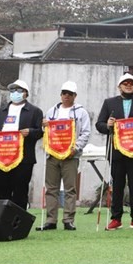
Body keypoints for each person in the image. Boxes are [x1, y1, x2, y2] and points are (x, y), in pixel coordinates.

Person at [95, 73, 133, 230]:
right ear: (119, 86)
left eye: (131, 83)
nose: (128, 85)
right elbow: (99, 124)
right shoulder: (109, 103)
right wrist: (108, 125)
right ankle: (116, 218)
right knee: (117, 185)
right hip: (116, 152)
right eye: (125, 83)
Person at [38, 81, 91, 231]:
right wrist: (44, 127)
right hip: (53, 155)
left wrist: (76, 148)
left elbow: (86, 133)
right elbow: (46, 133)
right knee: (51, 188)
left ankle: (68, 220)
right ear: (61, 94)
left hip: (70, 156)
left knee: (70, 189)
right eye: (64, 93)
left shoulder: (81, 112)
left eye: (70, 94)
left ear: (75, 96)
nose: (66, 96)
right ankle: (51, 220)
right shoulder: (51, 112)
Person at [0, 79, 44, 210]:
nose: (15, 93)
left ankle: (17, 224)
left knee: (20, 192)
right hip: (0, 157)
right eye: (12, 90)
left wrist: (30, 132)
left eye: (19, 90)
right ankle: (1, 223)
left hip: (23, 159)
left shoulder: (35, 111)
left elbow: (40, 132)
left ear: (26, 94)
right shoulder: (1, 111)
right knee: (0, 192)